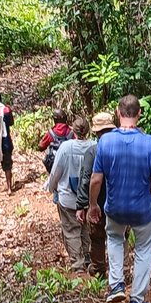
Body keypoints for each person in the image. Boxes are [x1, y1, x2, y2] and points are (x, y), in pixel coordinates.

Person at [86, 95, 151, 303]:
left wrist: (93, 205)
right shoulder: (149, 142)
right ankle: (137, 301)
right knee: (143, 250)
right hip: (143, 211)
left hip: (114, 208)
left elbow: (96, 179)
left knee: (114, 239)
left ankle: (116, 285)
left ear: (118, 112)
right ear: (139, 114)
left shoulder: (105, 142)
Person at [47, 116, 95, 272]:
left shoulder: (66, 148)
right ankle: (88, 257)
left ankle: (77, 262)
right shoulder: (94, 146)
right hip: (88, 197)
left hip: (67, 196)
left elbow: (56, 171)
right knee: (86, 227)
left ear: (73, 131)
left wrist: (51, 187)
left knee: (71, 229)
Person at [77, 111, 116, 275]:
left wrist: (82, 204)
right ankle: (117, 271)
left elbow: (87, 179)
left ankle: (99, 270)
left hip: (98, 203)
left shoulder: (93, 152)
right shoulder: (122, 148)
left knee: (98, 238)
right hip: (119, 202)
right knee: (118, 238)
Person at [38, 108, 73, 172]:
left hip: (54, 166)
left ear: (55, 119)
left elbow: (41, 147)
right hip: (69, 165)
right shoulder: (71, 132)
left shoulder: (51, 132)